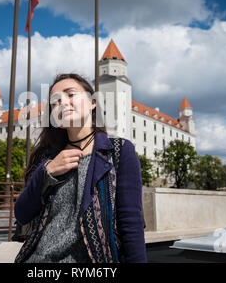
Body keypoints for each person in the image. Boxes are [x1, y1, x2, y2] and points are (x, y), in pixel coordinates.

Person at [14, 73, 146, 263]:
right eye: (55, 102)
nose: (63, 103)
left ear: (93, 103)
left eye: (71, 94)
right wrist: (46, 173)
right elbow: (22, 213)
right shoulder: (47, 158)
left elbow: (131, 224)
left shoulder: (119, 151)